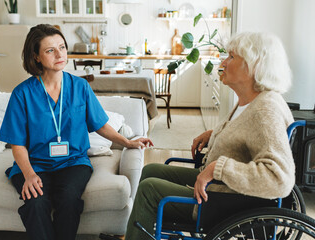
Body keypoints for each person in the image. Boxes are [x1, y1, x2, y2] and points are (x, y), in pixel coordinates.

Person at [125, 32, 295, 240]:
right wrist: (216, 133)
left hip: (224, 201)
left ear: (254, 66)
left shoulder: (266, 110)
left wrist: (218, 169)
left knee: (148, 189)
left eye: (231, 57)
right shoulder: (253, 101)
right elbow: (245, 134)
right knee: (151, 170)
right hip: (220, 189)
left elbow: (279, 179)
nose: (223, 62)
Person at [0, 24, 153, 240]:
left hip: (73, 162)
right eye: (50, 50)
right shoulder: (22, 93)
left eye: (62, 47)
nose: (60, 54)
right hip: (36, 163)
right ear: (36, 57)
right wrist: (29, 174)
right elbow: (17, 143)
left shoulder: (80, 86)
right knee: (35, 201)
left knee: (69, 199)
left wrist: (127, 142)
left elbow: (100, 125)